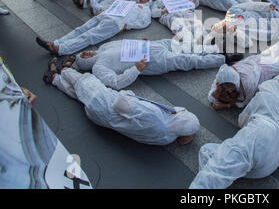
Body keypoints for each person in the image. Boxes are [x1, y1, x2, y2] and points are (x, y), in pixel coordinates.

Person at [189, 79, 279, 189]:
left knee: (214, 166)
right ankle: (231, 172)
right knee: (209, 152)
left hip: (260, 136)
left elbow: (242, 121)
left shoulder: (265, 96)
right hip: (268, 167)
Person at [46, 59, 200, 146]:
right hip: (101, 119)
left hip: (103, 102)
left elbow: (122, 103)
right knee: (79, 94)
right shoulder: (165, 139)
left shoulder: (156, 116)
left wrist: (129, 93)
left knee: (84, 81)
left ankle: (63, 70)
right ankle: (55, 79)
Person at [73, 38, 237, 90]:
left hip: (154, 45)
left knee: (188, 47)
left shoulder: (103, 47)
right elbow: (115, 83)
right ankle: (223, 59)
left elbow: (124, 43)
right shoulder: (98, 68)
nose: (87, 53)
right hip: (152, 62)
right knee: (188, 60)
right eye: (84, 57)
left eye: (84, 52)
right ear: (86, 63)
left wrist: (141, 40)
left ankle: (216, 48)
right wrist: (135, 69)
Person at [208, 34, 279, 110]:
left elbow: (242, 103)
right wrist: (216, 92)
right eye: (225, 86)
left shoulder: (247, 83)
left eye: (229, 86)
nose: (228, 89)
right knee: (274, 50)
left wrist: (225, 105)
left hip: (265, 69)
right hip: (255, 60)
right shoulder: (223, 76)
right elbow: (211, 95)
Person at [35, 0, 152, 56]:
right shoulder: (131, 2)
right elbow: (116, 5)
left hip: (116, 22)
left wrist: (127, 26)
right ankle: (55, 42)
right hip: (106, 14)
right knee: (81, 29)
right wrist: (104, 10)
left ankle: (61, 49)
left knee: (90, 36)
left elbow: (143, 22)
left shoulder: (145, 9)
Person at [206, 3, 279, 50]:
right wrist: (235, 30)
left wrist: (267, 6)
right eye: (222, 31)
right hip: (271, 34)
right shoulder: (232, 36)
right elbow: (248, 44)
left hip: (270, 17)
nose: (221, 28)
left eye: (218, 26)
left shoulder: (232, 11)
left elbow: (251, 5)